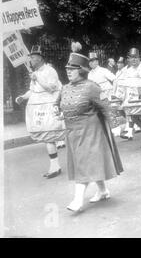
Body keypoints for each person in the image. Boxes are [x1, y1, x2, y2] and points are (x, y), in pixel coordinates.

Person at [57, 47, 123, 212]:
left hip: (90, 130)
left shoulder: (91, 87)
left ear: (81, 71)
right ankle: (103, 190)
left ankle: (78, 200)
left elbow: (105, 106)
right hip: (72, 131)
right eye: (67, 69)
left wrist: (113, 126)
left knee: (84, 163)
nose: (68, 71)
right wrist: (57, 111)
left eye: (72, 69)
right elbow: (58, 104)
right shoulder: (64, 88)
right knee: (86, 163)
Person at [16, 45, 66, 179]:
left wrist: (37, 78)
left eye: (32, 58)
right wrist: (23, 97)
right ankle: (55, 166)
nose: (30, 60)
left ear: (39, 58)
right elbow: (32, 90)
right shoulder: (35, 72)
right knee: (47, 138)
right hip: (38, 109)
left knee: (52, 135)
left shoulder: (50, 71)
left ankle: (61, 164)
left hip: (49, 106)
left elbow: (51, 88)